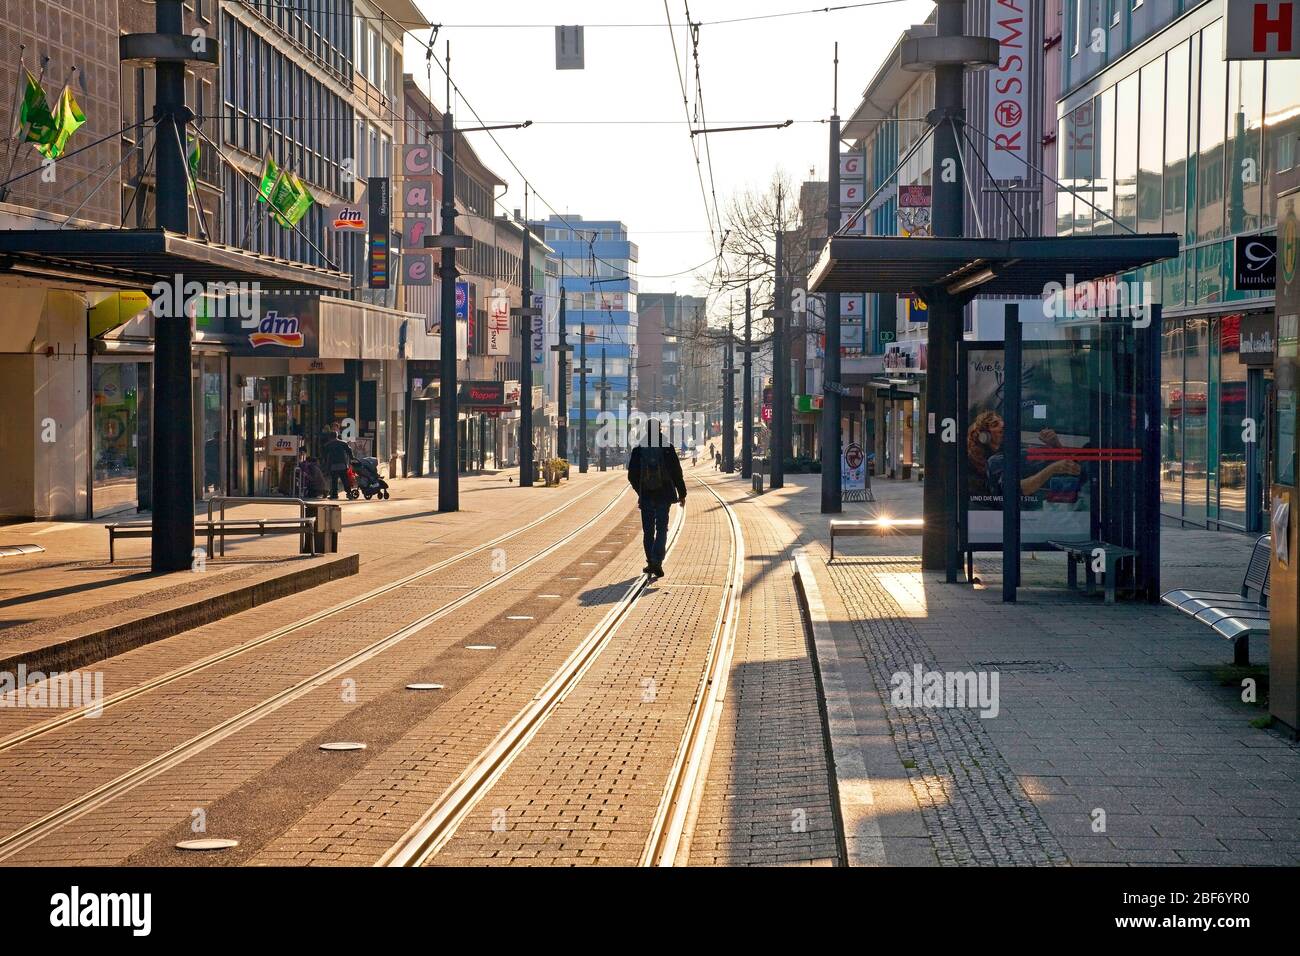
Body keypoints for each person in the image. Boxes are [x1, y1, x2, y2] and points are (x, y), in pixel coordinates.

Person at [627, 420, 687, 578]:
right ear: (660, 429)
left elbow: (631, 475)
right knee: (661, 528)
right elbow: (676, 472)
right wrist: (682, 494)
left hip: (646, 495)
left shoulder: (639, 448)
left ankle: (650, 561)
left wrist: (640, 491)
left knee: (648, 530)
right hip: (664, 495)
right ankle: (657, 561)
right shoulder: (667, 447)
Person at [322, 426, 353, 499]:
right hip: (342, 464)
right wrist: (351, 458)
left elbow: (324, 455)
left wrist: (325, 463)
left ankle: (334, 495)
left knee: (334, 480)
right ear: (337, 436)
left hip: (333, 465)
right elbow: (349, 450)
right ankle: (349, 493)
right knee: (345, 479)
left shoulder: (328, 445)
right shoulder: (343, 443)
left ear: (330, 437)